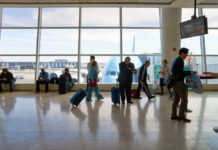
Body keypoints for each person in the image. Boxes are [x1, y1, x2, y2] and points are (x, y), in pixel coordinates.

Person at [171, 48, 195, 123]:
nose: (187, 55)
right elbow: (180, 73)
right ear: (182, 53)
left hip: (174, 81)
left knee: (176, 99)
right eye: (186, 54)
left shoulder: (177, 59)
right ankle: (181, 117)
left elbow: (175, 71)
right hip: (178, 82)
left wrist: (188, 72)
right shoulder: (180, 60)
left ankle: (174, 115)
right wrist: (189, 73)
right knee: (184, 100)